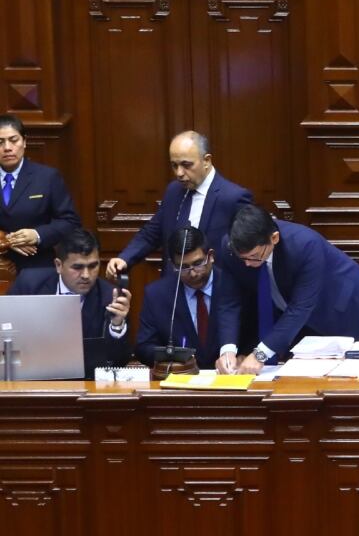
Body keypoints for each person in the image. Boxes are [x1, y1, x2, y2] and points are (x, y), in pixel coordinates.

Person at [225, 204, 359, 375]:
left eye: (254, 256)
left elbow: (300, 308)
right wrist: (227, 349)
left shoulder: (305, 244)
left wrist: (259, 355)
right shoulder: (233, 246)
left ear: (274, 238)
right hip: (295, 317)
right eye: (243, 258)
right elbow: (228, 298)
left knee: (351, 377)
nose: (248, 264)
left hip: (344, 306)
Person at [107, 131, 254, 280]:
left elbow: (247, 249)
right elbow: (152, 232)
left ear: (207, 161)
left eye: (186, 165)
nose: (179, 173)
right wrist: (125, 258)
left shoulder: (233, 198)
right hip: (175, 291)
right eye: (174, 165)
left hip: (215, 292)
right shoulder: (173, 191)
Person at [7, 230, 133, 370]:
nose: (86, 275)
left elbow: (119, 361)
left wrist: (117, 325)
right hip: (32, 373)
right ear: (58, 265)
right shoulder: (29, 284)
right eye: (78, 267)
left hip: (85, 381)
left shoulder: (110, 296)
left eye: (93, 266)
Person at [135, 226, 243, 372]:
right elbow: (144, 348)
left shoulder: (234, 285)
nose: (192, 273)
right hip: (178, 383)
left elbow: (251, 335)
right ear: (173, 265)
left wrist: (243, 356)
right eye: (183, 267)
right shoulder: (156, 295)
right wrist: (174, 359)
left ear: (210, 256)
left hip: (230, 379)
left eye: (198, 264)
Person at [0, 114, 82, 273]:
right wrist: (6, 241)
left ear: (24, 142)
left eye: (13, 140)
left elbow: (70, 222)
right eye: (0, 142)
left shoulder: (47, 177)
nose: (7, 147)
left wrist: (37, 234)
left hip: (38, 268)